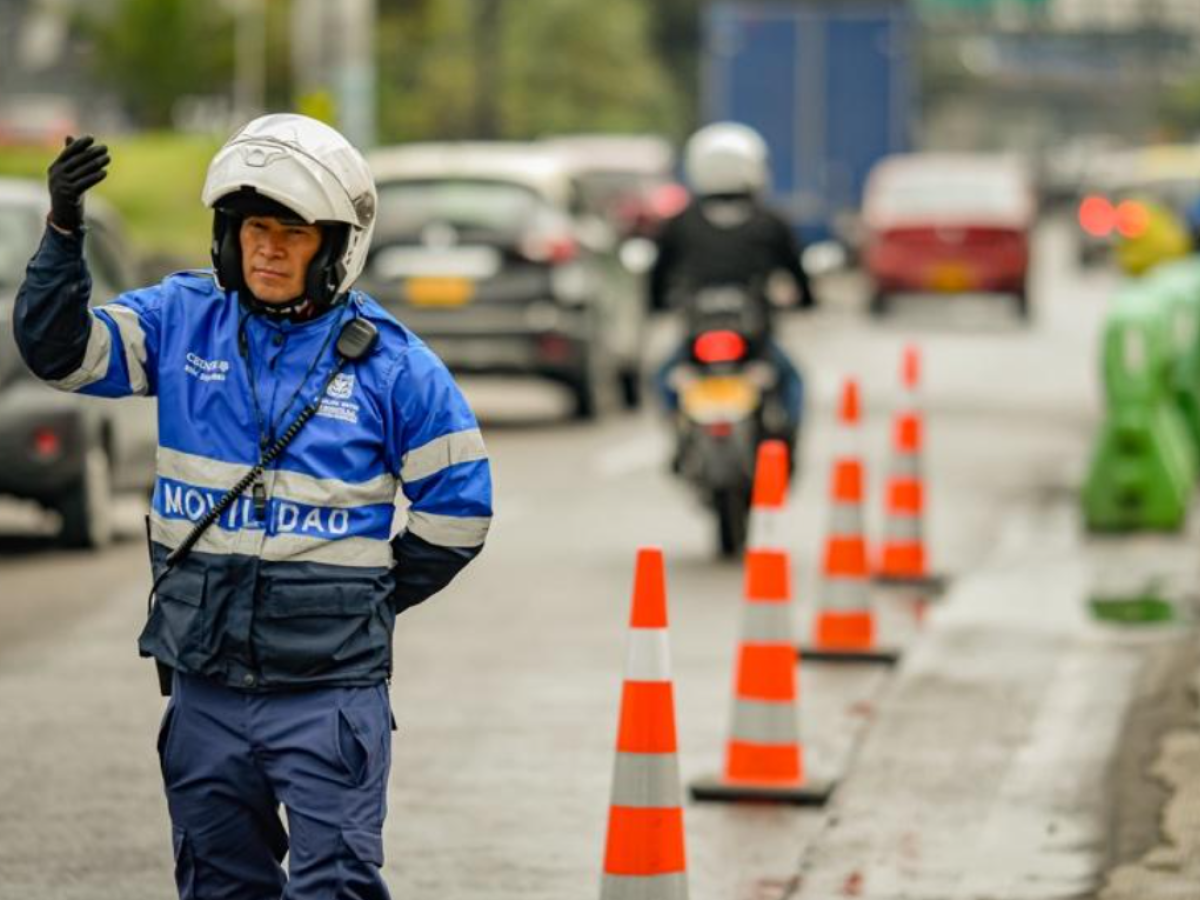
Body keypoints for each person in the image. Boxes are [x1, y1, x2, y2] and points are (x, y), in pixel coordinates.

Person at [14, 114, 492, 899]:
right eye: (254, 228)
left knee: (333, 885)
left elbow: (462, 510)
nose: (268, 248)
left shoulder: (396, 366)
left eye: (293, 233)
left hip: (328, 693)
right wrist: (65, 230)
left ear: (335, 246)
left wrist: (360, 597)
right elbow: (61, 355)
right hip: (204, 683)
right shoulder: (179, 319)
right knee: (217, 886)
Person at [650, 122, 816, 445]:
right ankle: (787, 437)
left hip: (699, 337)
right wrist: (807, 300)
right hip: (753, 339)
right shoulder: (770, 222)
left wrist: (657, 303)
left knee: (662, 377)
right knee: (792, 381)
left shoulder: (680, 223)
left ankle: (678, 432)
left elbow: (657, 275)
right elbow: (797, 272)